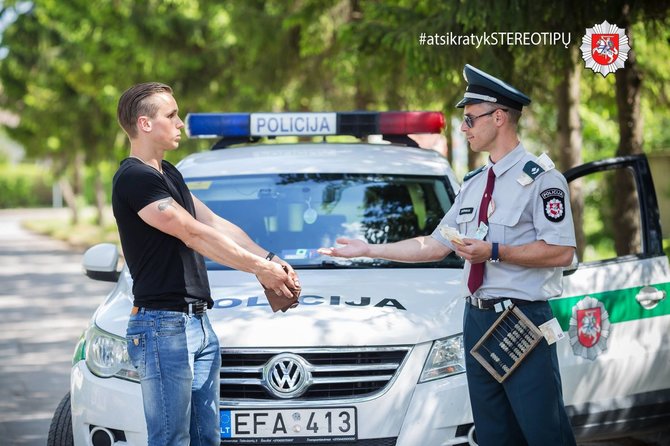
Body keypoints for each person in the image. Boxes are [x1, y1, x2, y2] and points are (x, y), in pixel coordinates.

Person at [319, 65, 577, 445]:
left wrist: (493, 251)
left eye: (470, 119)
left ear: (499, 117)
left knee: (542, 433)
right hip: (476, 319)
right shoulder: (472, 186)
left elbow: (561, 252)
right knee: (493, 435)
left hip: (522, 319)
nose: (464, 128)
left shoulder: (542, 180)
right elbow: (435, 244)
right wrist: (368, 249)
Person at [112, 82, 299, 446]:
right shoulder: (135, 178)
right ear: (145, 123)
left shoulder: (169, 174)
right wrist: (258, 270)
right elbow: (192, 233)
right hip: (162, 326)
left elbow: (214, 223)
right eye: (171, 115)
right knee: (172, 440)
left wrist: (270, 258)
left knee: (205, 438)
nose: (179, 123)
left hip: (197, 323)